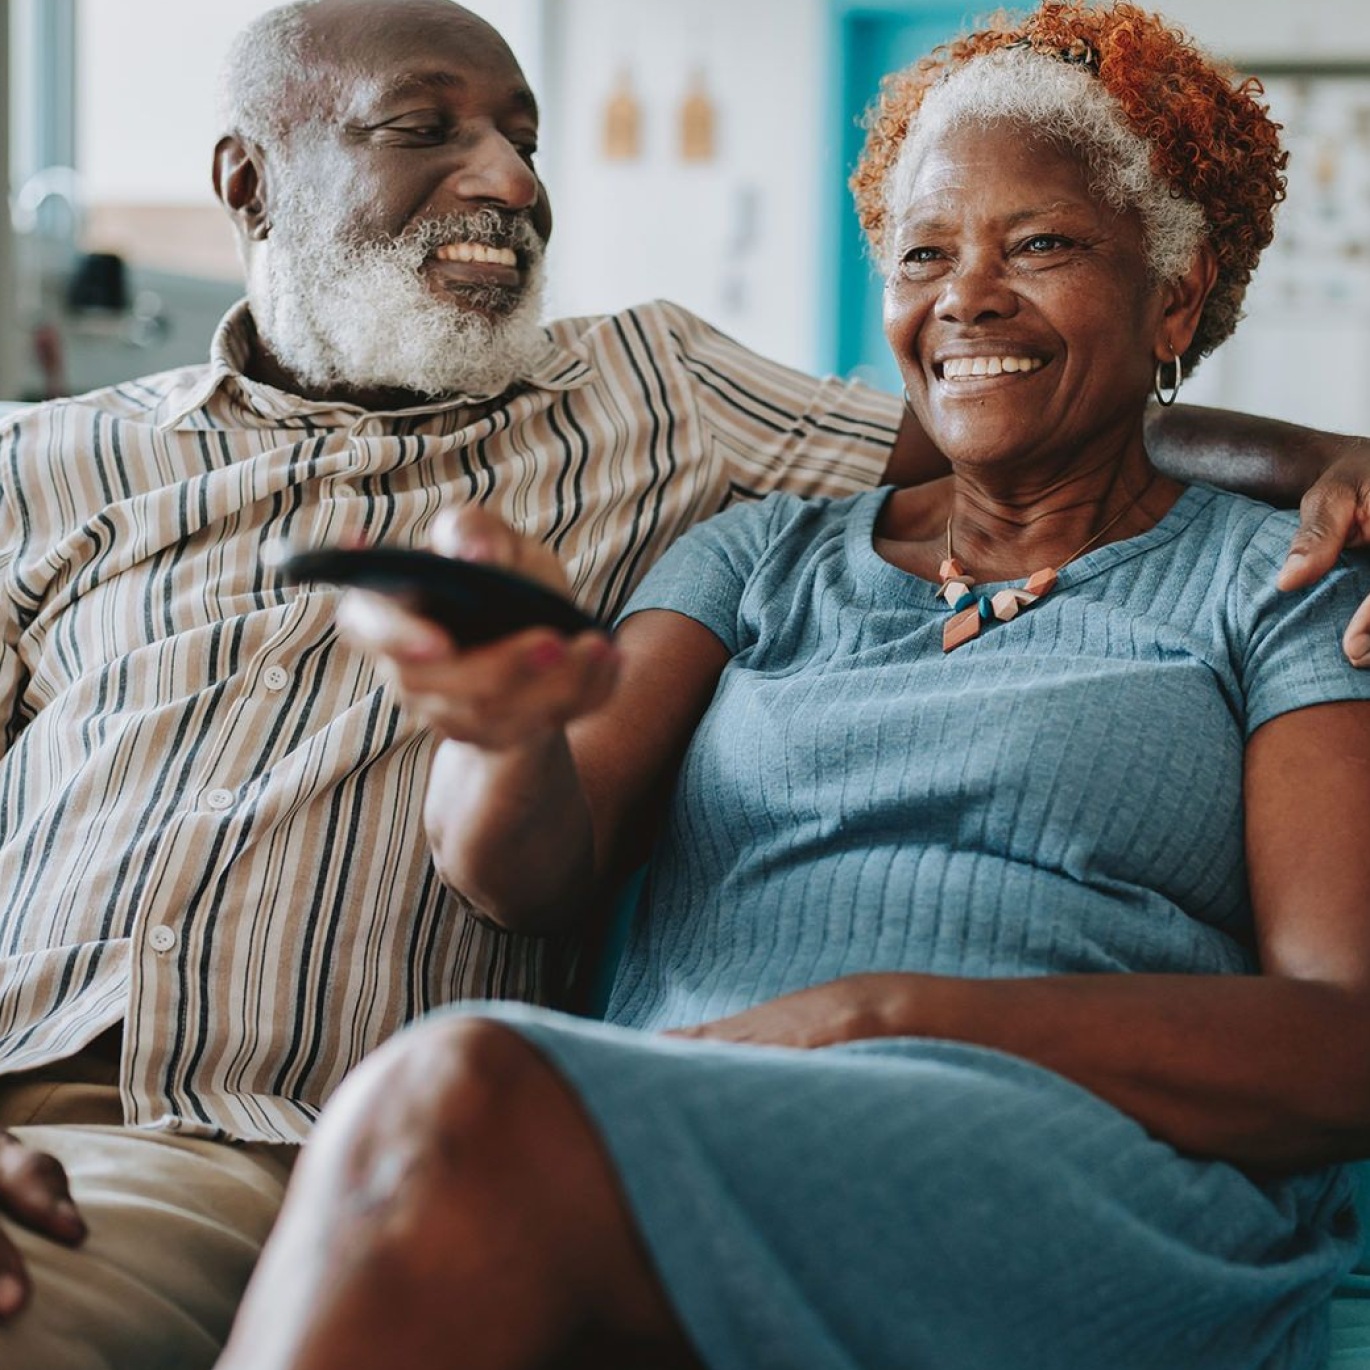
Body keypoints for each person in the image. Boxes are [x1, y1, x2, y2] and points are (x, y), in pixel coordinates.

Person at [0, 0, 1367, 1366]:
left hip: (1044, 1160)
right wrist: (505, 731)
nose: (967, 295)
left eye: (1044, 245)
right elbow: (527, 865)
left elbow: (1346, 1041)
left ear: (1173, 295)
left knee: (460, 1091)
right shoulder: (758, 552)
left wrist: (879, 1014)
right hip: (665, 1132)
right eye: (922, 254)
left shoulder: (1284, 583)